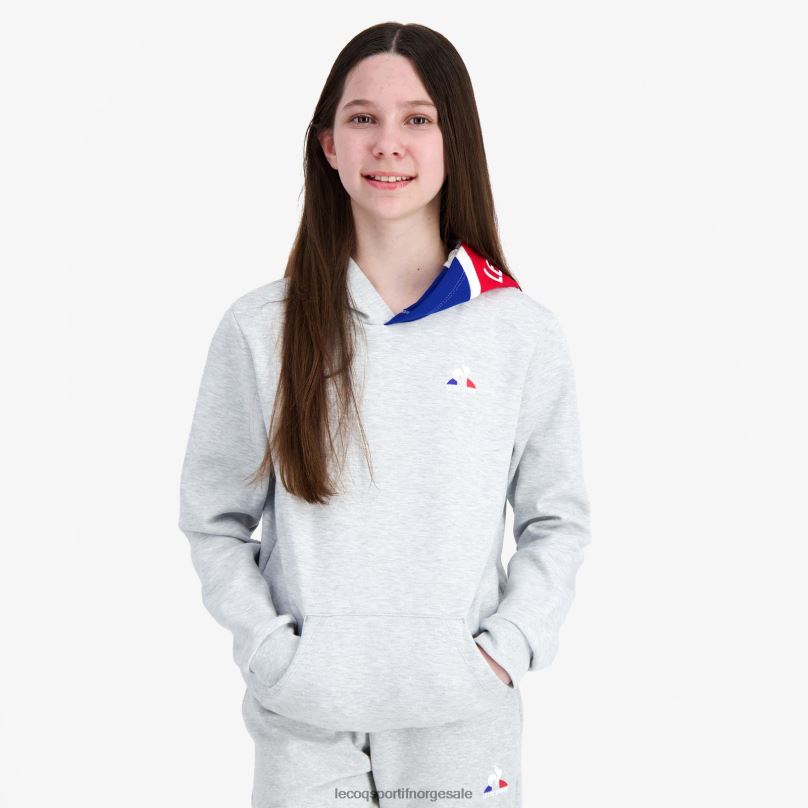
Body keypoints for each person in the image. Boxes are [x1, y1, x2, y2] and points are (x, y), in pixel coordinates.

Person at [178, 21, 591, 808]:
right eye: (362, 117)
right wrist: (272, 654)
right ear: (329, 144)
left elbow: (557, 519)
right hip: (305, 722)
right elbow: (214, 519)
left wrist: (504, 651)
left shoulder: (520, 332)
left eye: (417, 118)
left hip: (463, 717)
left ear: (454, 139)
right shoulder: (261, 328)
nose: (388, 143)